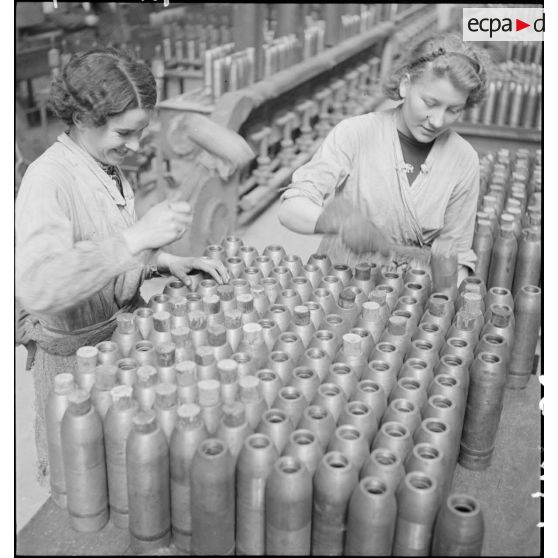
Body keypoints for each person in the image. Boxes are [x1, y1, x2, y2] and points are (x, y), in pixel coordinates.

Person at [15, 48, 229, 482]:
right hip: (76, 362)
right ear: (80, 119)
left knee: (131, 468)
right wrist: (137, 237)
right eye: (124, 133)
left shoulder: (104, 166)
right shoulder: (48, 181)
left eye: (141, 132)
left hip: (121, 345)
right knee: (87, 480)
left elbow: (102, 252)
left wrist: (163, 261)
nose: (135, 146)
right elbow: (38, 286)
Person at [278, 33, 490, 280]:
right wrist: (338, 222)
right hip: (340, 279)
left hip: (411, 290)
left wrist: (446, 301)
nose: (438, 120)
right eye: (430, 102)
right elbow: (291, 208)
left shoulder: (463, 159)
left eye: (453, 110)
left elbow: (458, 254)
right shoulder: (356, 133)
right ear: (405, 85)